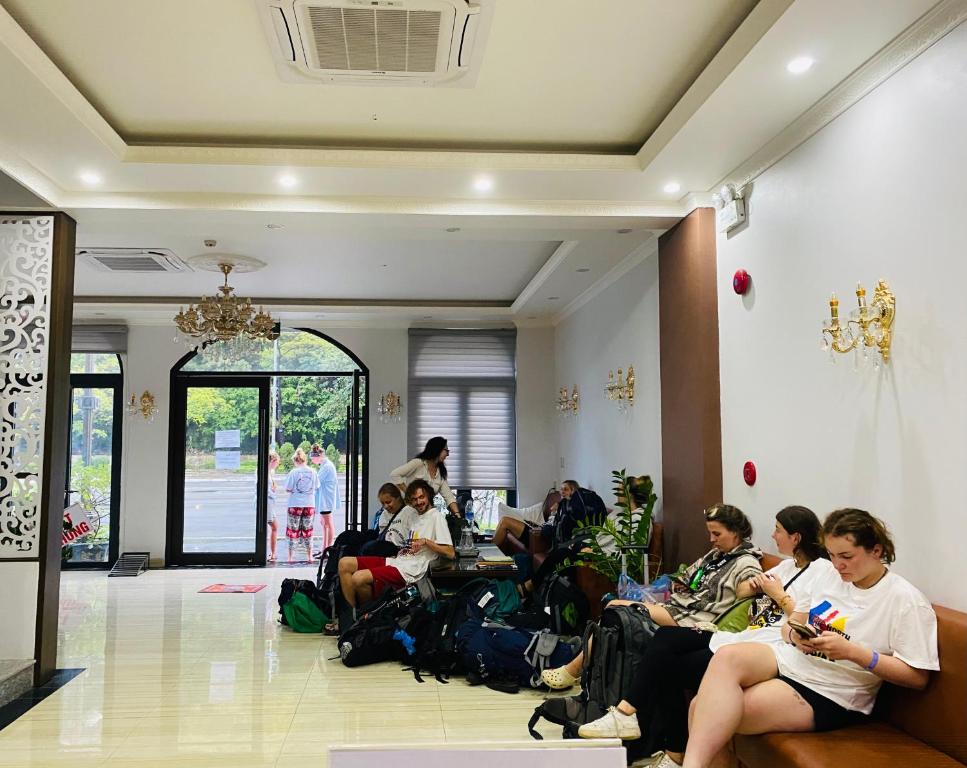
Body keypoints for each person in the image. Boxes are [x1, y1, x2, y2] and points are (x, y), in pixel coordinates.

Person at [679, 509, 939, 768]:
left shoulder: (904, 600)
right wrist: (795, 635)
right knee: (727, 657)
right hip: (794, 660)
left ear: (877, 551)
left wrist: (853, 652)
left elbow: (917, 677)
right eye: (833, 555)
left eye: (847, 556)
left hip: (833, 690)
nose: (838, 565)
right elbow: (792, 624)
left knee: (701, 709)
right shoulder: (827, 573)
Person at [576, 506, 834, 765]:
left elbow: (807, 621)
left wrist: (777, 594)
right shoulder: (787, 567)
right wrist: (754, 587)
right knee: (664, 639)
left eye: (778, 530)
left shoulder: (822, 571)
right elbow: (745, 590)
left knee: (665, 660)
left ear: (796, 537)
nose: (773, 535)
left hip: (765, 646)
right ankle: (632, 717)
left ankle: (656, 736)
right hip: (746, 635)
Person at [541, 503, 763, 690]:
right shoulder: (716, 555)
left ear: (735, 532)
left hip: (693, 618)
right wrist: (680, 584)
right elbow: (686, 576)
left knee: (617, 607)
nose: (711, 539)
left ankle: (574, 669)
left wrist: (758, 586)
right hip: (679, 606)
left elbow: (744, 589)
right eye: (710, 533)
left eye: (717, 534)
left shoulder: (746, 561)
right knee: (614, 617)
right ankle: (581, 671)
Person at [338, 479, 455, 608]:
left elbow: (450, 552)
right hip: (400, 560)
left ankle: (366, 617)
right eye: (415, 499)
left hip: (412, 569)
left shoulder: (436, 517)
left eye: (421, 497)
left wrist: (426, 542)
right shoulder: (415, 516)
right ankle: (352, 616)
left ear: (428, 495)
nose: (419, 502)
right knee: (344, 563)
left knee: (358, 578)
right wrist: (405, 548)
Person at [390, 437, 461, 517]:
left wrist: (457, 515)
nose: (448, 454)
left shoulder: (440, 473)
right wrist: (410, 495)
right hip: (409, 513)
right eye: (446, 451)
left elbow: (449, 497)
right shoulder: (418, 463)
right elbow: (395, 475)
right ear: (438, 449)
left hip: (426, 515)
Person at [359, 483, 415, 557]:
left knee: (369, 548)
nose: (385, 506)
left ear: (398, 498)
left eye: (388, 502)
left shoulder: (409, 512)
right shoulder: (384, 514)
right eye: (382, 503)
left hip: (400, 549)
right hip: (385, 545)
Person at [284, 448, 319, 563]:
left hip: (295, 504)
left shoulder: (293, 472)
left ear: (295, 460)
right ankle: (309, 556)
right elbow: (317, 486)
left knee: (292, 530)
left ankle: (290, 557)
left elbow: (288, 488)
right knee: (308, 530)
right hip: (309, 504)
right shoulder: (313, 471)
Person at [310, 443, 340, 555]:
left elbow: (317, 481)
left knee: (327, 524)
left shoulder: (327, 466)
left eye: (313, 458)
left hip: (326, 499)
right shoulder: (325, 465)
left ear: (319, 456)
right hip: (325, 499)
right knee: (325, 523)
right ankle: (325, 548)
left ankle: (327, 549)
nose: (312, 461)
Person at [266, 450, 280, 563]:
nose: (277, 464)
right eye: (277, 462)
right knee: (274, 527)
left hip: (270, 503)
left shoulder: (270, 472)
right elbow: (267, 490)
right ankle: (271, 553)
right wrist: (274, 491)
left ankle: (272, 552)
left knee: (274, 527)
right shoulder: (265, 472)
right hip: (268, 503)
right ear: (273, 461)